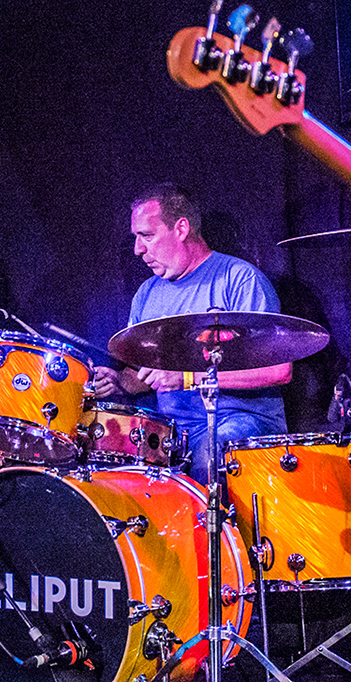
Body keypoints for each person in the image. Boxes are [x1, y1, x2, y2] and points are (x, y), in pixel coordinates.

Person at [88, 184, 292, 477]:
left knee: (207, 453)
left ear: (181, 228)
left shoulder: (240, 280)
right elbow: (146, 377)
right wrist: (120, 382)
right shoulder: (146, 294)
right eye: (136, 237)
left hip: (240, 423)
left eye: (147, 235)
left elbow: (278, 371)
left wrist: (187, 378)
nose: (138, 249)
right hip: (170, 432)